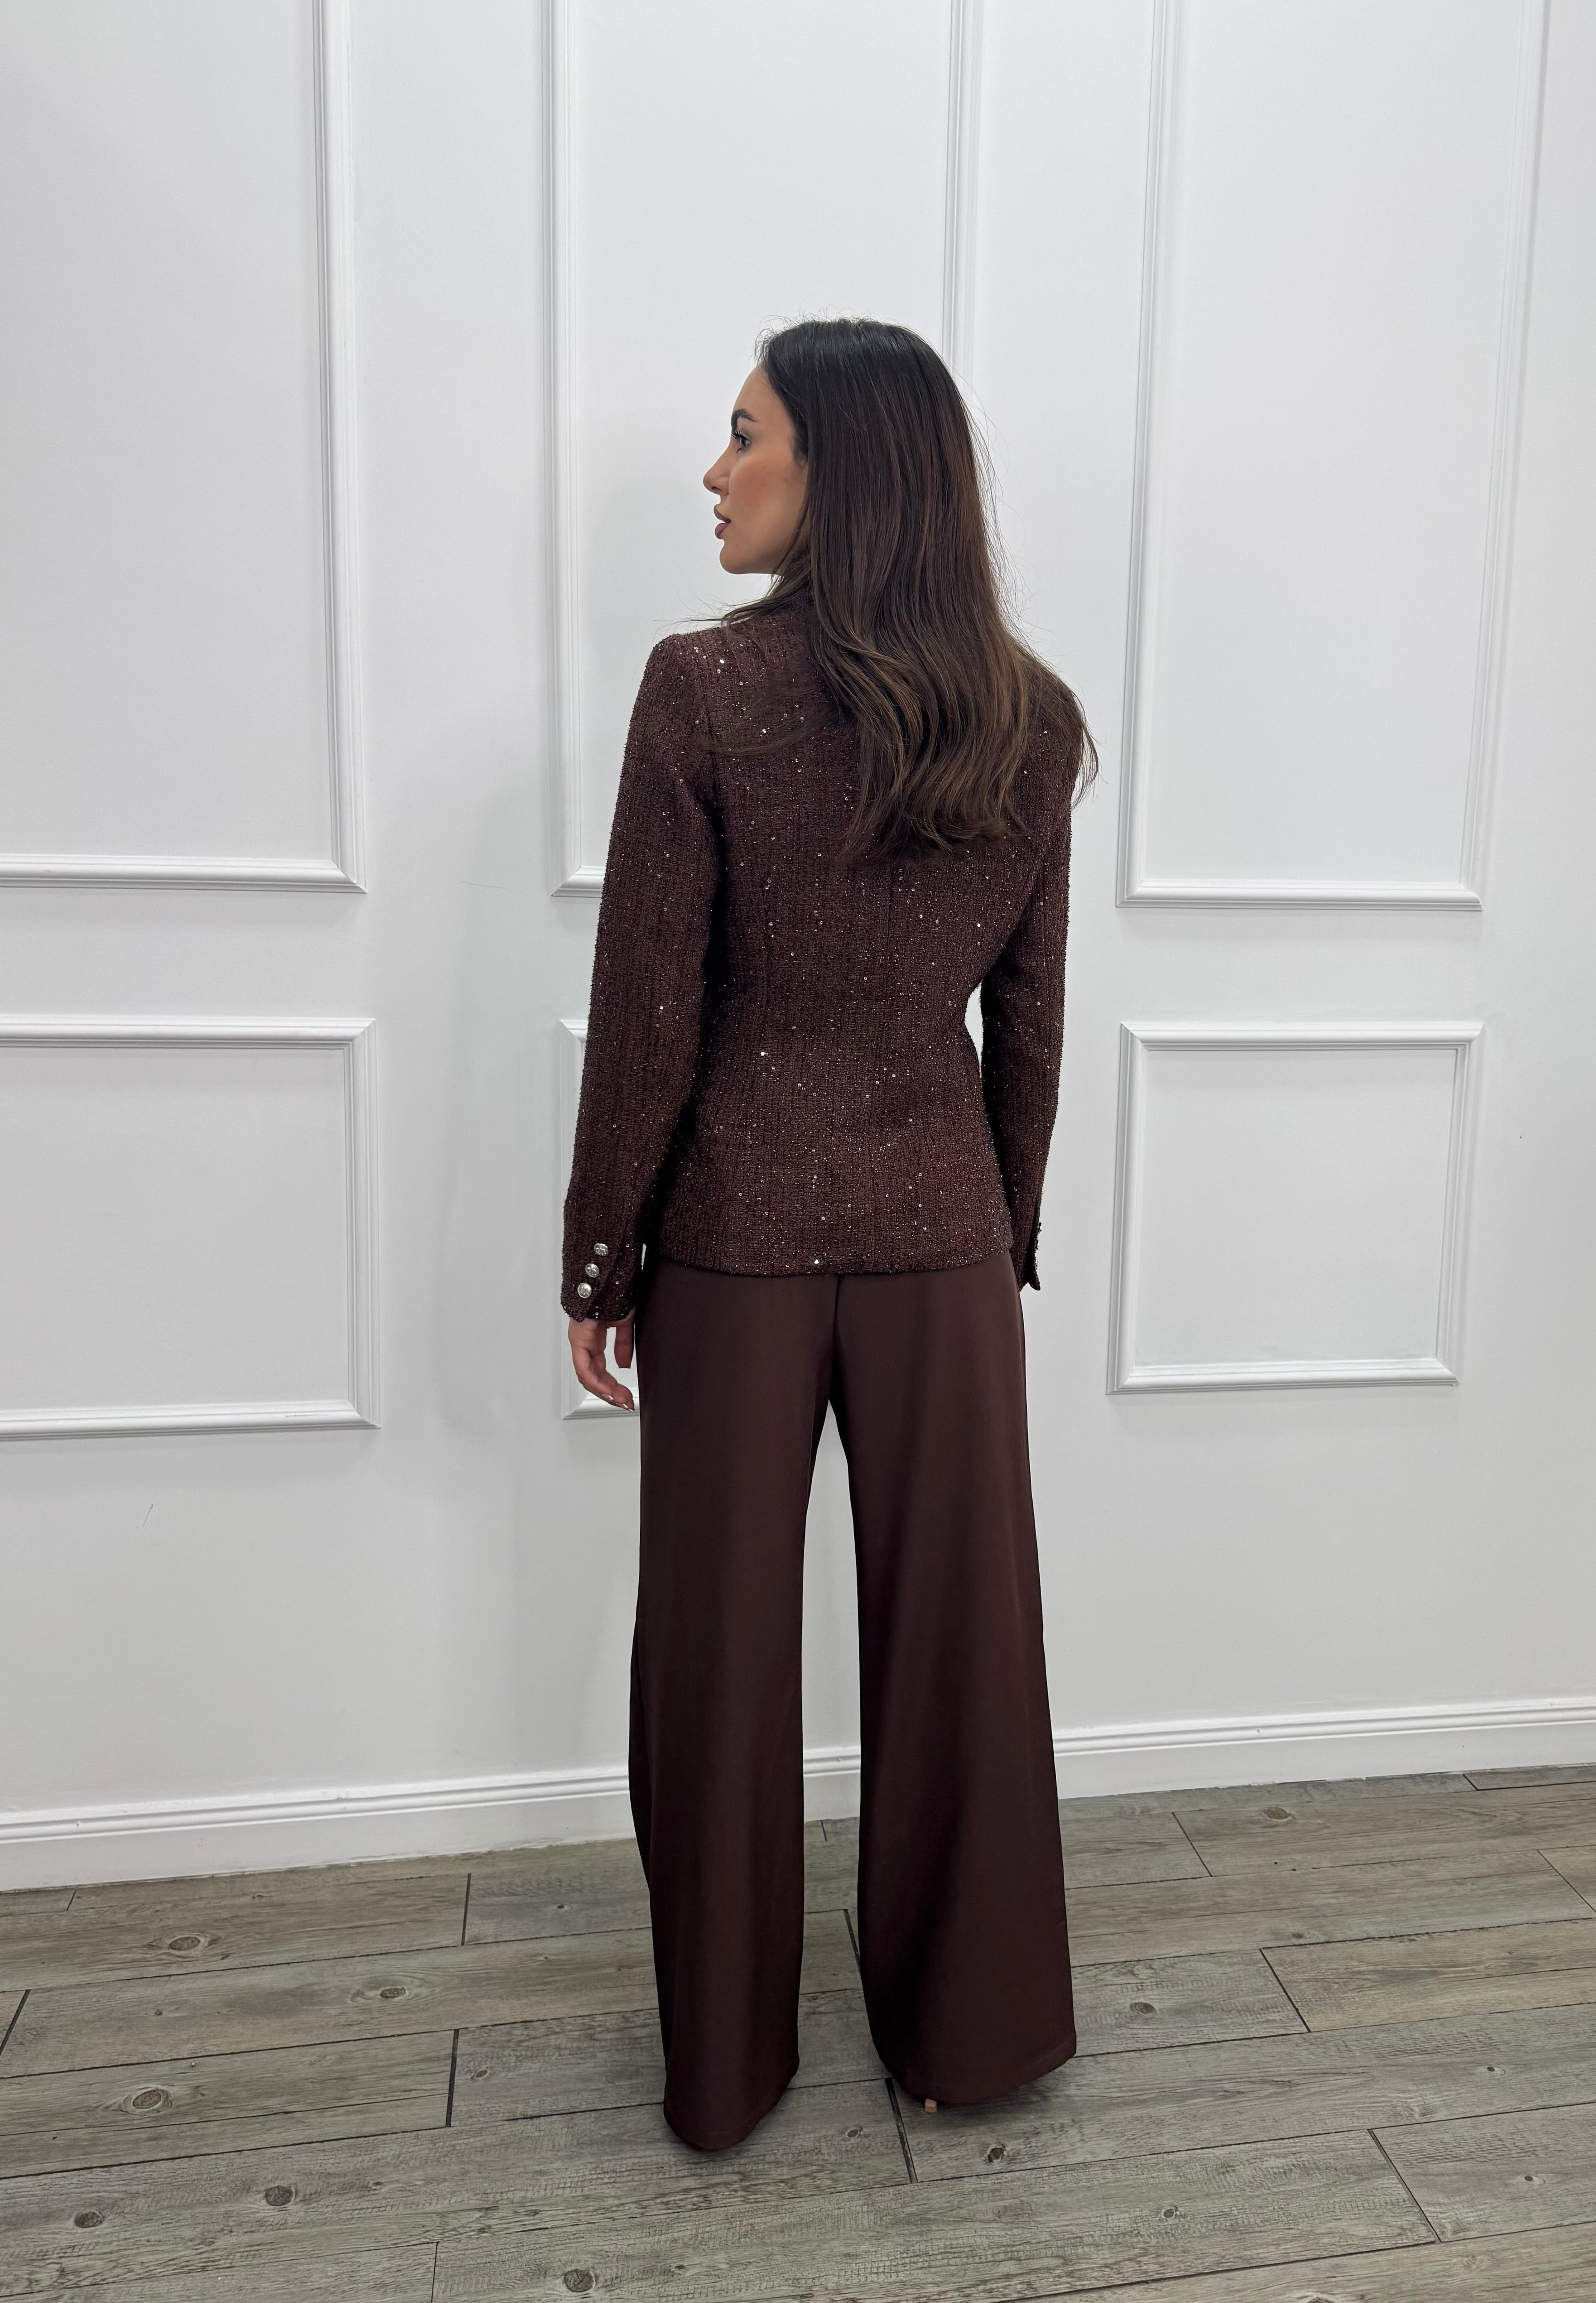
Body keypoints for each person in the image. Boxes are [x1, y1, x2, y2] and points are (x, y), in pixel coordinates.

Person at [561, 316, 1098, 2154]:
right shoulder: (1030, 715)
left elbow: (650, 1011)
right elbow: (1029, 1021)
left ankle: (726, 2070)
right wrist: (998, 1233)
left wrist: (601, 1254)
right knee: (964, 1652)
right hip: (943, 1240)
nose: (714, 474)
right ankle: (972, 2034)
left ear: (838, 468)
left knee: (713, 1660)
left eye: (744, 435)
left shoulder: (701, 688)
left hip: (732, 1241)